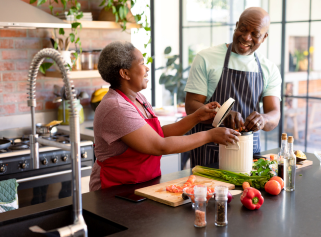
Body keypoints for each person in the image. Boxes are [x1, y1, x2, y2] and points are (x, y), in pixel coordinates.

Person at [89, 41, 240, 191]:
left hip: (143, 184)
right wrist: (209, 136)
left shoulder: (138, 98)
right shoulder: (116, 106)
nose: (147, 68)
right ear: (125, 73)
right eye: (142, 63)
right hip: (115, 190)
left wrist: (196, 117)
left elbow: (158, 134)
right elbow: (159, 145)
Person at [184, 7, 281, 167]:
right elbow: (191, 106)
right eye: (242, 29)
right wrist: (221, 114)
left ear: (264, 37)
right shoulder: (206, 58)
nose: (246, 37)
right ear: (236, 26)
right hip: (209, 154)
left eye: (255, 34)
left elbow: (274, 114)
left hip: (249, 153)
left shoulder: (268, 68)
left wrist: (263, 119)